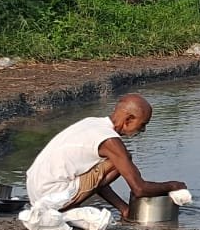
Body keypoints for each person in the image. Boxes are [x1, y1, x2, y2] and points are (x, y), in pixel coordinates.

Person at [25, 94, 186, 221]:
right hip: (52, 195)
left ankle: (121, 210)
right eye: (142, 124)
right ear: (128, 119)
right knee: (121, 160)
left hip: (37, 193)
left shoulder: (91, 123)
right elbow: (139, 189)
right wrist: (173, 185)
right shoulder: (109, 141)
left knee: (115, 161)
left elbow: (97, 180)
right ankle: (65, 207)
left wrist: (123, 209)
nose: (142, 130)